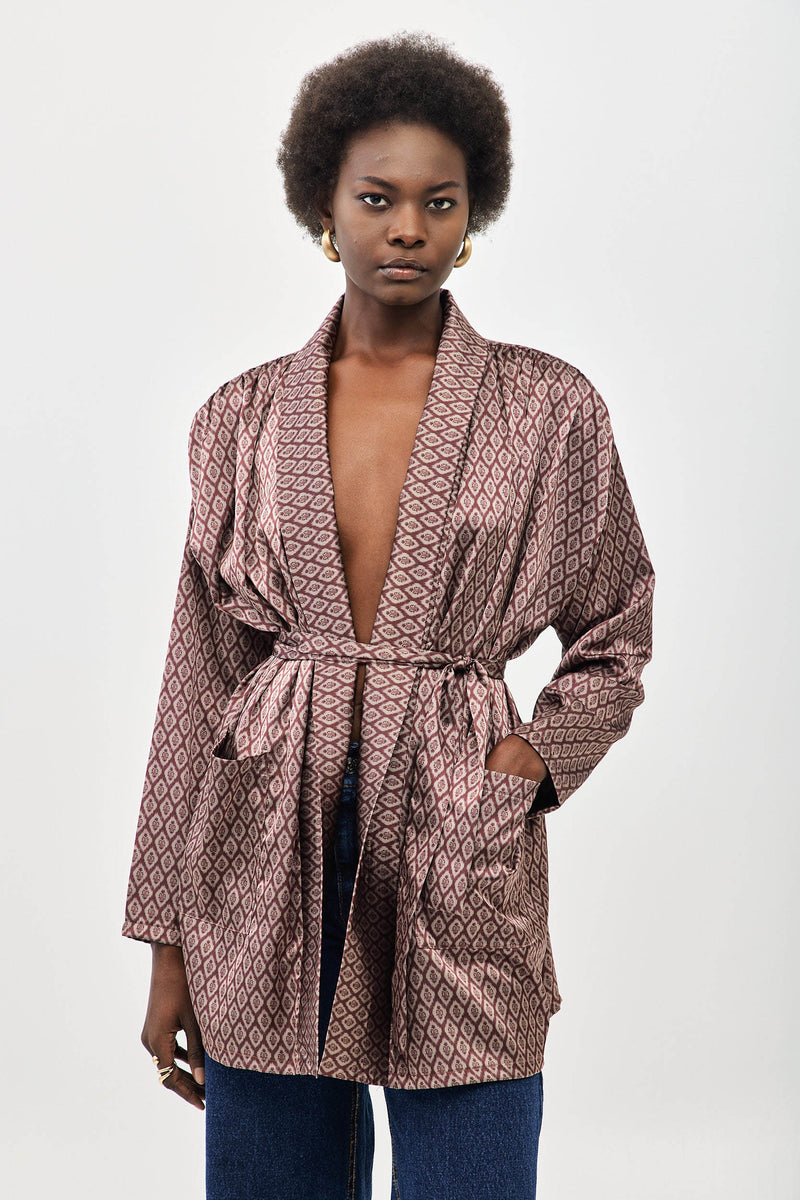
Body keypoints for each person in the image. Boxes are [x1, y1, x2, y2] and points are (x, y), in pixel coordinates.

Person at [122, 31, 655, 1200]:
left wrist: (526, 763)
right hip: (263, 839)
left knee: (472, 1166)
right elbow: (199, 679)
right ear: (323, 207)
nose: (407, 227)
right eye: (376, 198)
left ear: (472, 217)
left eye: (437, 202)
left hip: (458, 821)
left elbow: (615, 624)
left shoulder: (549, 410)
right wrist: (167, 942)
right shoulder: (239, 420)